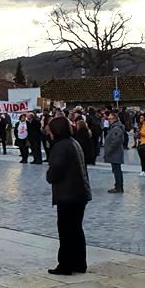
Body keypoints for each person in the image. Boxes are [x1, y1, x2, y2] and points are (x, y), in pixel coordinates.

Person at [45, 116, 91, 275]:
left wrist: (49, 175)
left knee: (66, 230)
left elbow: (55, 169)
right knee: (76, 229)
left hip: (68, 194)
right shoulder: (73, 142)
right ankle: (79, 262)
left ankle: (65, 264)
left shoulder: (60, 146)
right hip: (80, 192)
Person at [104, 113, 125, 193]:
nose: (109, 120)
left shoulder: (116, 128)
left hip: (116, 153)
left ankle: (118, 186)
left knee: (117, 170)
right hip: (115, 153)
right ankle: (118, 185)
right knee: (116, 170)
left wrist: (109, 150)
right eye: (108, 119)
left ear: (114, 119)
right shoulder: (114, 128)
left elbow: (116, 141)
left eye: (110, 119)